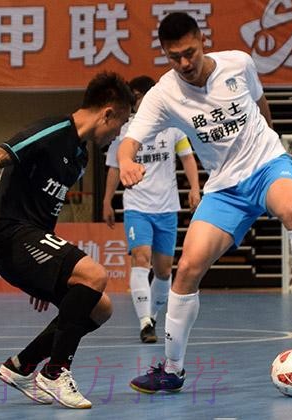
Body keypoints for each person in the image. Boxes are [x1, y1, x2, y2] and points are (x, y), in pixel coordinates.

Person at [117, 13, 292, 394]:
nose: (184, 63)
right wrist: (125, 162)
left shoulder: (238, 63)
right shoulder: (163, 94)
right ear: (165, 55)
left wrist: (273, 142)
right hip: (224, 187)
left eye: (189, 52)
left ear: (202, 40)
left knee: (291, 209)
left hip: (267, 164)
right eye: (174, 57)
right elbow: (130, 140)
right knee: (187, 269)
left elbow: (260, 102)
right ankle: (172, 370)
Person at [0, 72, 133, 409]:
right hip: (8, 234)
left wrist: (47, 269)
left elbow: (47, 211)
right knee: (95, 274)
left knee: (100, 307)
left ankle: (20, 367)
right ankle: (55, 373)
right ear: (108, 113)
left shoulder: (80, 156)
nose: (119, 133)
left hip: (34, 239)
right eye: (121, 123)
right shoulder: (52, 130)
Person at [103, 75, 200, 343]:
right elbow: (114, 167)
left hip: (167, 207)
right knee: (141, 257)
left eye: (137, 95)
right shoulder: (126, 130)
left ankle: (153, 317)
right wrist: (107, 200)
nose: (134, 101)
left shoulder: (172, 126)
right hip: (137, 206)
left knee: (164, 271)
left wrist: (194, 188)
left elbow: (187, 158)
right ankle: (144, 322)